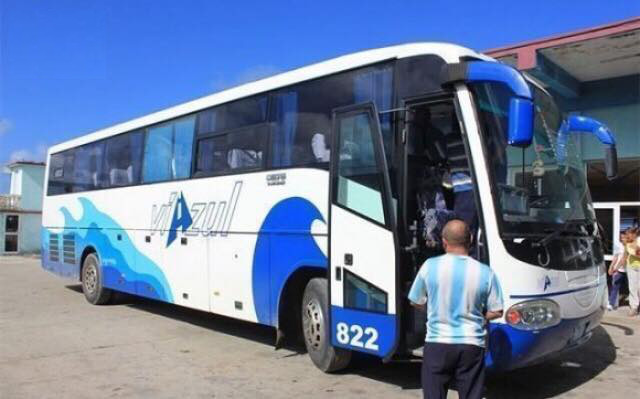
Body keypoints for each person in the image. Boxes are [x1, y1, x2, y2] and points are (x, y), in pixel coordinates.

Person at [408, 219, 504, 399]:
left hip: (437, 344)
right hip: (471, 345)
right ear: (471, 239)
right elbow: (497, 310)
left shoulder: (429, 266)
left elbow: (415, 300)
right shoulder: (485, 272)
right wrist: (481, 317)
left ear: (444, 241)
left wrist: (433, 310)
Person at [608, 232, 628, 311]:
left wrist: (616, 268)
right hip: (619, 270)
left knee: (633, 288)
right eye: (621, 238)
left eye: (625, 237)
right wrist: (611, 267)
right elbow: (616, 257)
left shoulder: (630, 246)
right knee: (615, 287)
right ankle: (612, 303)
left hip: (629, 270)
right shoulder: (619, 246)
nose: (623, 239)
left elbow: (624, 259)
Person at [625, 227, 640, 317]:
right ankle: (634, 307)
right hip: (631, 266)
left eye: (628, 234)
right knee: (632, 287)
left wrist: (636, 250)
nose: (627, 236)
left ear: (634, 234)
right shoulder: (628, 242)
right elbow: (625, 255)